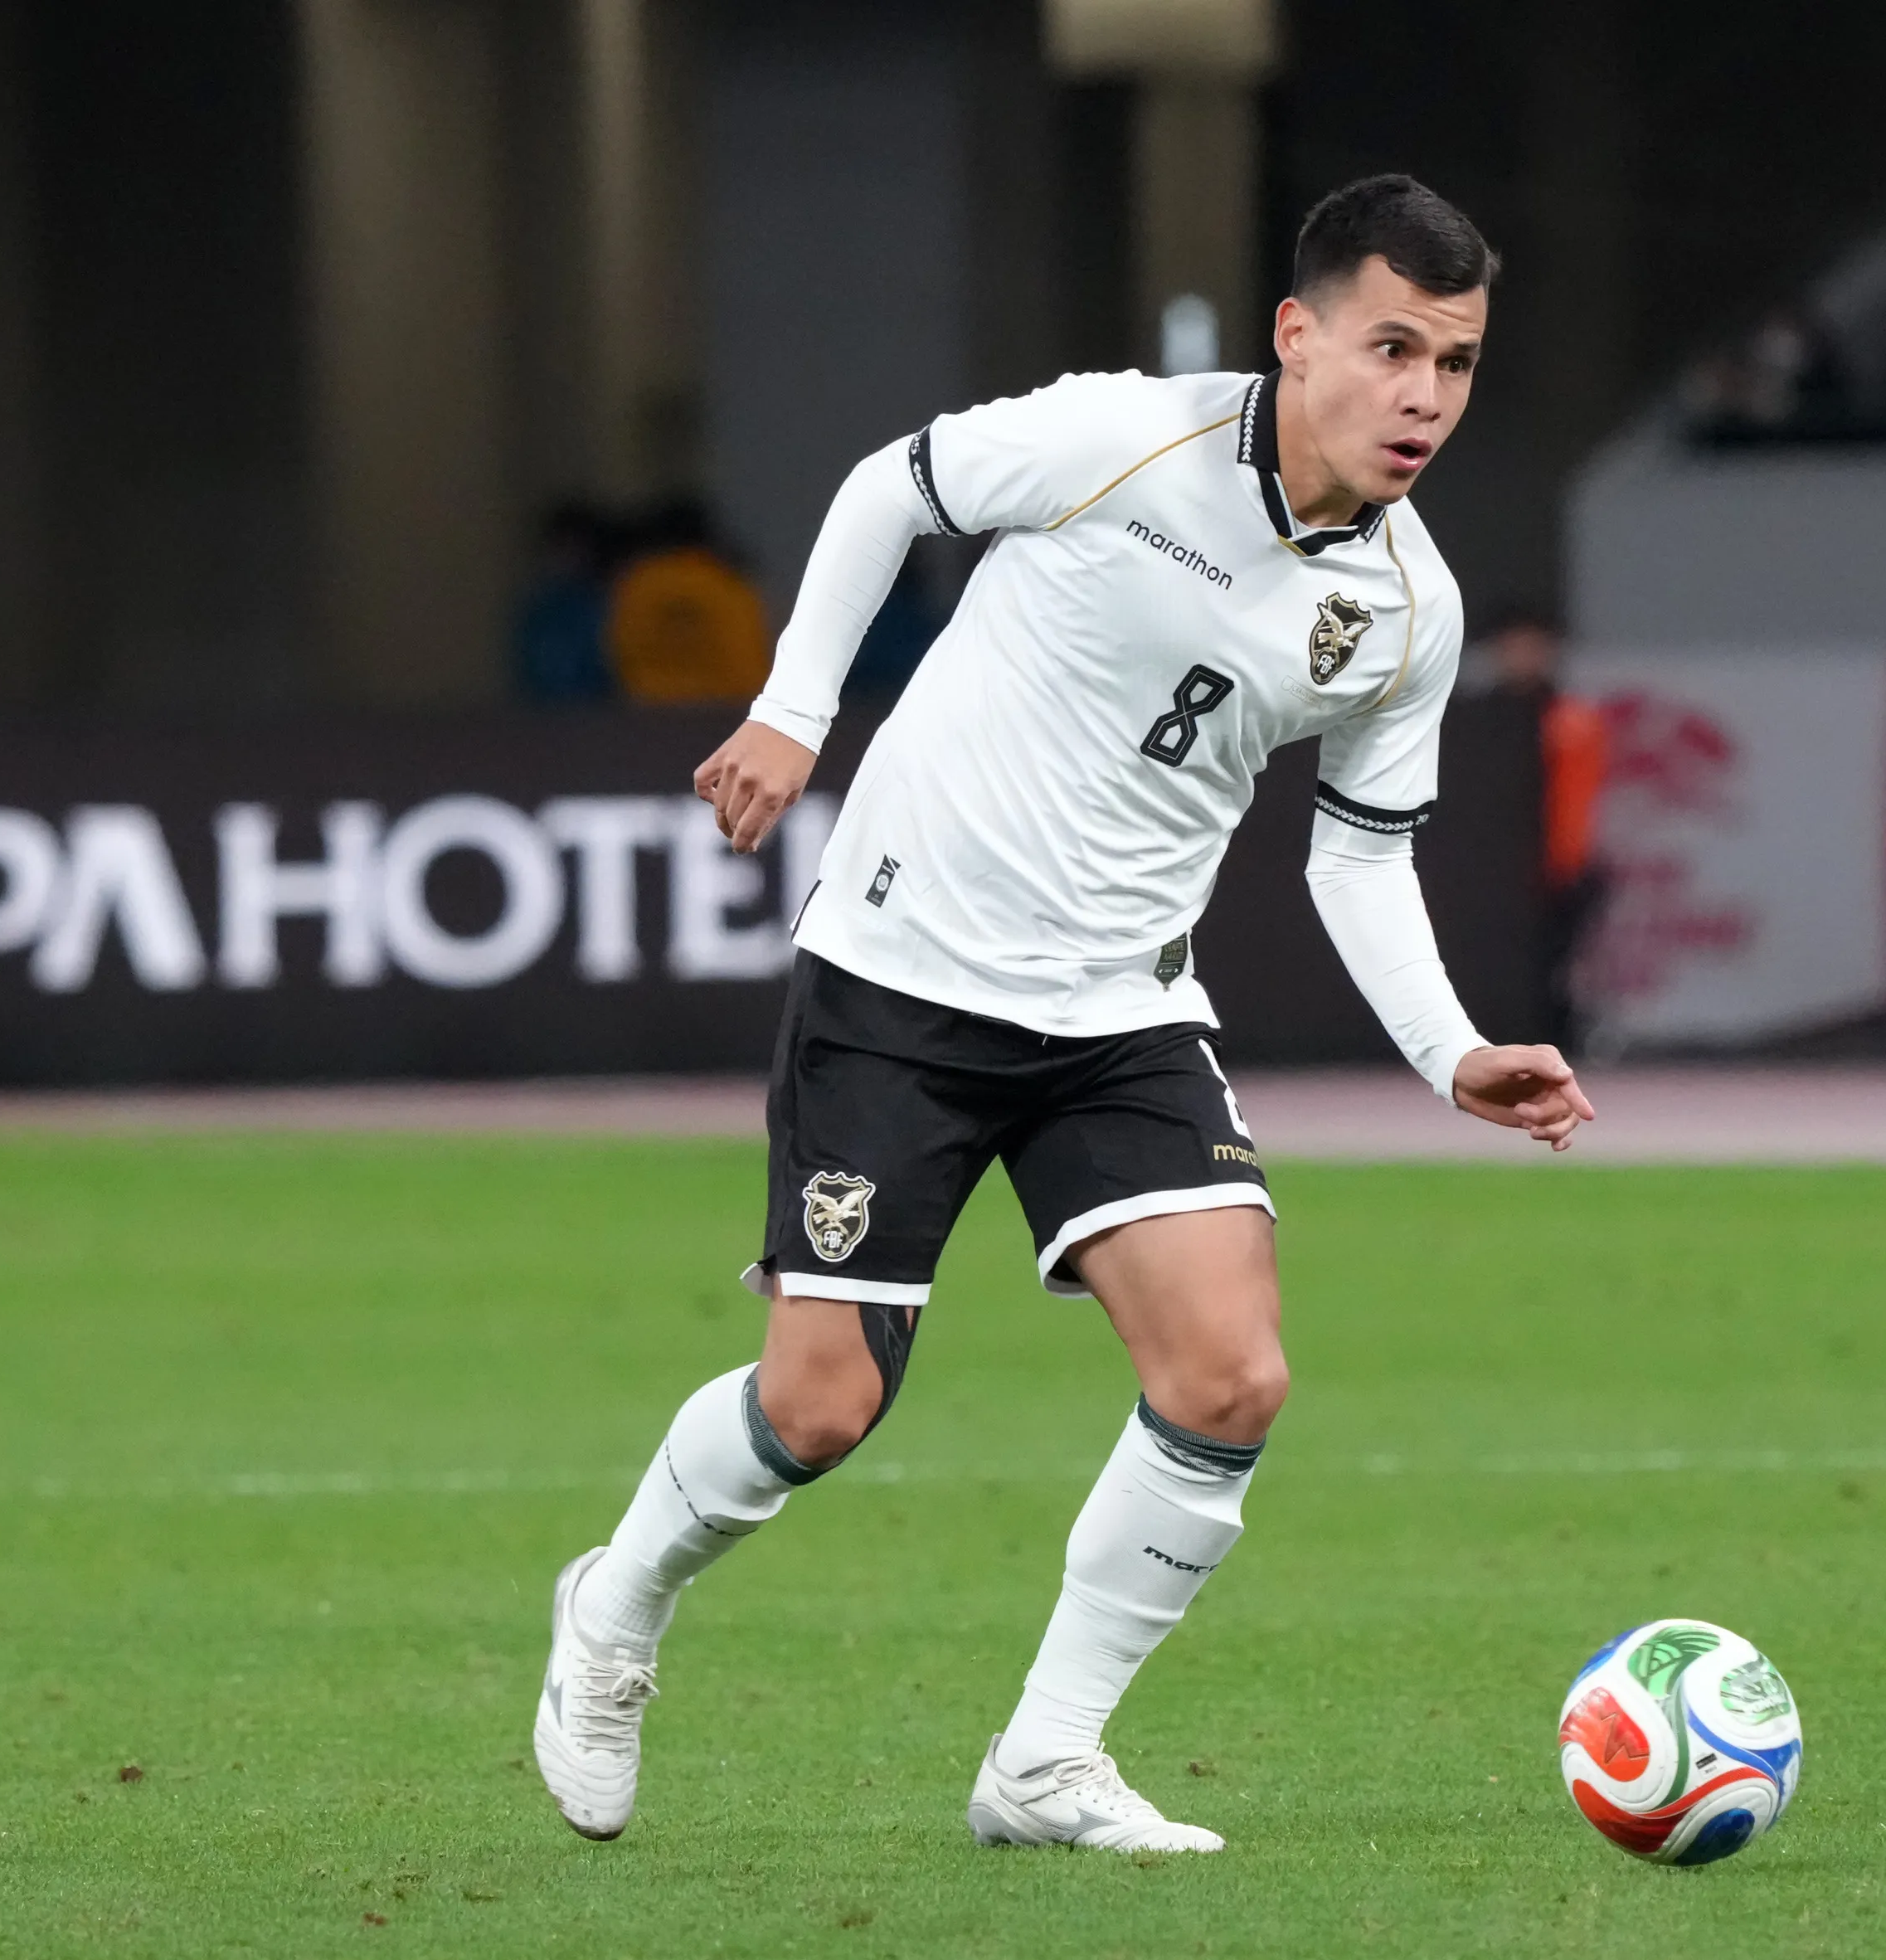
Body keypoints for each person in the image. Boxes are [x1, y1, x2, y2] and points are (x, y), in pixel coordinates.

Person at [532, 175, 1593, 1855]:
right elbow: (897, 487)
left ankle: (1042, 1759)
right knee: (817, 1407)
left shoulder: (1409, 610)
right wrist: (794, 709)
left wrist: (1449, 1049)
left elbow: (1362, 857)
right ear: (1296, 334)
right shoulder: (1124, 436)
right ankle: (615, 1602)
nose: (1421, 397)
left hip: (1120, 1007)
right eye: (1390, 348)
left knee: (1231, 1370)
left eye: (1454, 364)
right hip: (904, 969)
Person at [1482, 608, 1607, 1050]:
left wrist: (1566, 865)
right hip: (1484, 871)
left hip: (1556, 869)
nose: (1521, 656)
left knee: (1550, 968)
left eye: (1531, 646)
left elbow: (1576, 802)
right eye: (1512, 646)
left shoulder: (1570, 719)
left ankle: (1559, 1042)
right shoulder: (1473, 722)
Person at [605, 498, 775, 702]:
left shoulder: (639, 583)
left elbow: (620, 654)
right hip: (727, 710)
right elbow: (752, 654)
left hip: (653, 711)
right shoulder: (728, 581)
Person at [508, 503, 617, 705]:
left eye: (574, 548)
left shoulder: (604, 605)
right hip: (543, 718)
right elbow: (528, 668)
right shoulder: (537, 608)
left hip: (599, 716)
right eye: (560, 547)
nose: (567, 557)